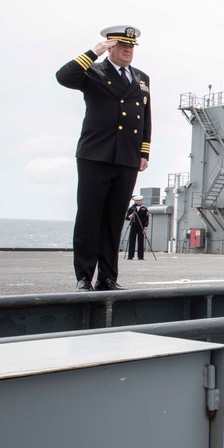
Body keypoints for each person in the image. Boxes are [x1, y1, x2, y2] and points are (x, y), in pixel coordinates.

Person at [56, 25, 151, 291]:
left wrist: (143, 152)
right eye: (122, 46)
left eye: (131, 47)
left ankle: (108, 277)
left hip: (127, 158)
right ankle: (84, 277)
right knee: (89, 217)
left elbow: (145, 118)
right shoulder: (92, 71)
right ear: (109, 47)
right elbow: (63, 77)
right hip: (96, 155)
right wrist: (92, 53)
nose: (128, 50)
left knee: (113, 219)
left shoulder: (142, 78)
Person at [125, 195, 150, 260]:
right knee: (132, 241)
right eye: (136, 201)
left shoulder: (144, 209)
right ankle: (130, 256)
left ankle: (140, 256)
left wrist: (145, 227)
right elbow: (127, 218)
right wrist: (130, 216)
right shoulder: (131, 208)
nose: (137, 202)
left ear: (141, 201)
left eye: (139, 200)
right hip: (133, 225)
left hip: (141, 226)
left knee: (141, 241)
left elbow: (146, 219)